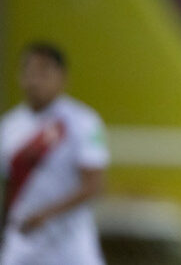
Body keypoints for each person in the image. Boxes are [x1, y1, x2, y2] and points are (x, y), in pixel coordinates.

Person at [0, 43, 109, 265]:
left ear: (62, 77)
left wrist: (46, 215)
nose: (35, 80)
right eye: (29, 72)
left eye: (44, 72)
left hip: (70, 246)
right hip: (22, 244)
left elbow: (93, 185)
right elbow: (8, 186)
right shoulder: (9, 126)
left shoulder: (83, 122)